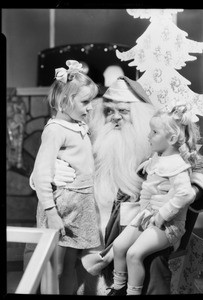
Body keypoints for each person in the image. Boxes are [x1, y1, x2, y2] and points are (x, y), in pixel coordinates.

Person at [30, 77, 203, 295]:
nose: (114, 117)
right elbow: (44, 165)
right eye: (108, 111)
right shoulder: (88, 135)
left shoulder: (155, 143)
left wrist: (190, 192)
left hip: (131, 230)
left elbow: (198, 167)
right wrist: (51, 174)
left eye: (122, 111)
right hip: (85, 232)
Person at [106, 104, 201, 296]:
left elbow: (187, 194)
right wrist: (143, 211)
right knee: (119, 245)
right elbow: (147, 189)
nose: (149, 136)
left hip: (168, 224)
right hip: (147, 216)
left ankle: (133, 291)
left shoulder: (177, 165)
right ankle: (118, 286)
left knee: (134, 254)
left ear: (172, 138)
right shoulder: (156, 159)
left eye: (154, 132)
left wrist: (162, 214)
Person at [31, 59, 101, 294]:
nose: (91, 107)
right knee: (56, 266)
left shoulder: (78, 124)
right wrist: (51, 212)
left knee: (71, 262)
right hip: (63, 206)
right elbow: (42, 173)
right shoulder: (55, 130)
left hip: (81, 202)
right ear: (64, 101)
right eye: (85, 101)